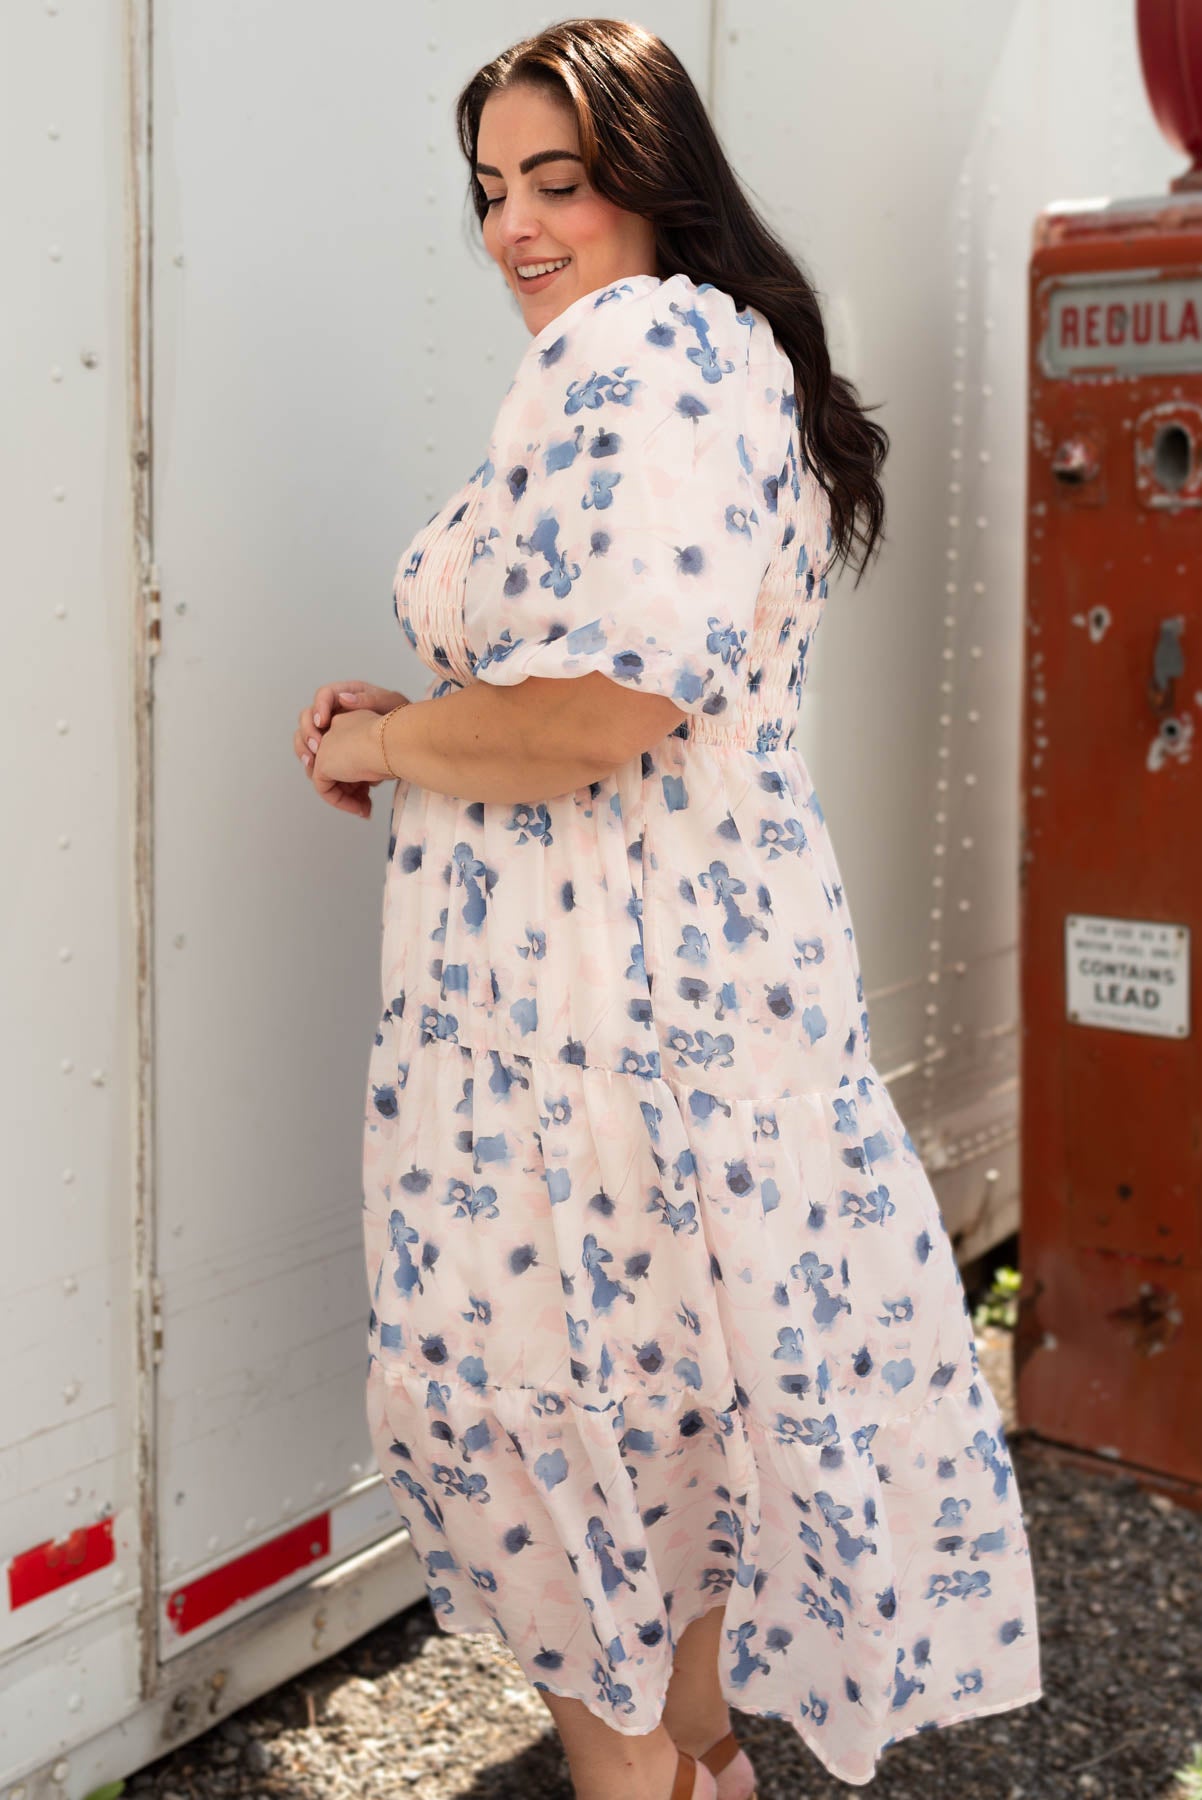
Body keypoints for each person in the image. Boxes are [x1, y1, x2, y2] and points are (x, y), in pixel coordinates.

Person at [292, 19, 1043, 1799]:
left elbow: (601, 709)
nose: (514, 230)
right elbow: (577, 681)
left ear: (657, 176)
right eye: (489, 192)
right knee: (656, 1442)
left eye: (557, 181)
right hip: (667, 992)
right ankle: (698, 1772)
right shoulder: (703, 360)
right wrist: (412, 727)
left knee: (560, 1445)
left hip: (593, 1019)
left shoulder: (645, 348)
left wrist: (400, 737)